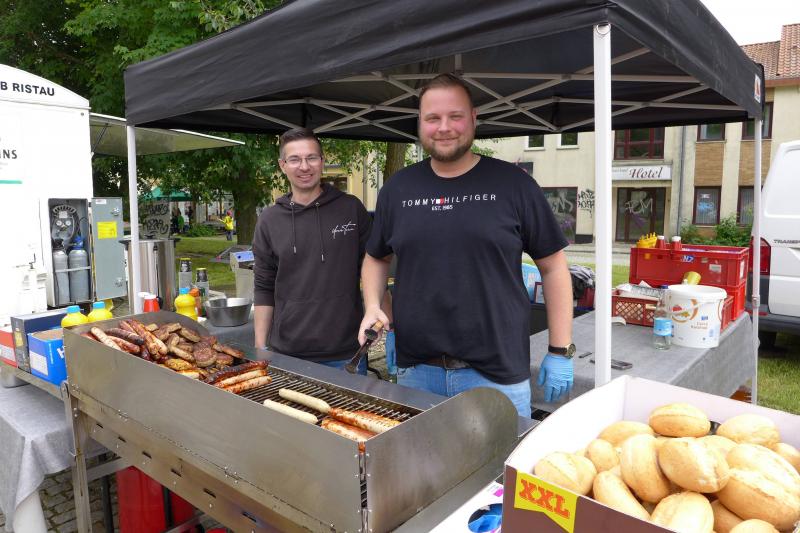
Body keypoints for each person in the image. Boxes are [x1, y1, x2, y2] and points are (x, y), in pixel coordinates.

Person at [358, 74, 575, 417]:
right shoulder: (397, 189)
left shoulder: (514, 185)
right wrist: (374, 305)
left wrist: (560, 349)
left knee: (501, 456)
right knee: (421, 455)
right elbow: (376, 258)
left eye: (455, 116)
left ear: (474, 118)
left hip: (497, 376)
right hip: (416, 372)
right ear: (420, 123)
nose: (444, 127)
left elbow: (553, 267)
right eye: (433, 118)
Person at [252, 128, 391, 374]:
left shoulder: (351, 209)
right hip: (287, 353)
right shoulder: (269, 220)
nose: (304, 166)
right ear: (283, 165)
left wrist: (393, 331)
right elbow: (264, 287)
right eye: (295, 159)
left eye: (311, 158)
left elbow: (375, 266)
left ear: (322, 161)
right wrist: (260, 347)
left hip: (347, 353)